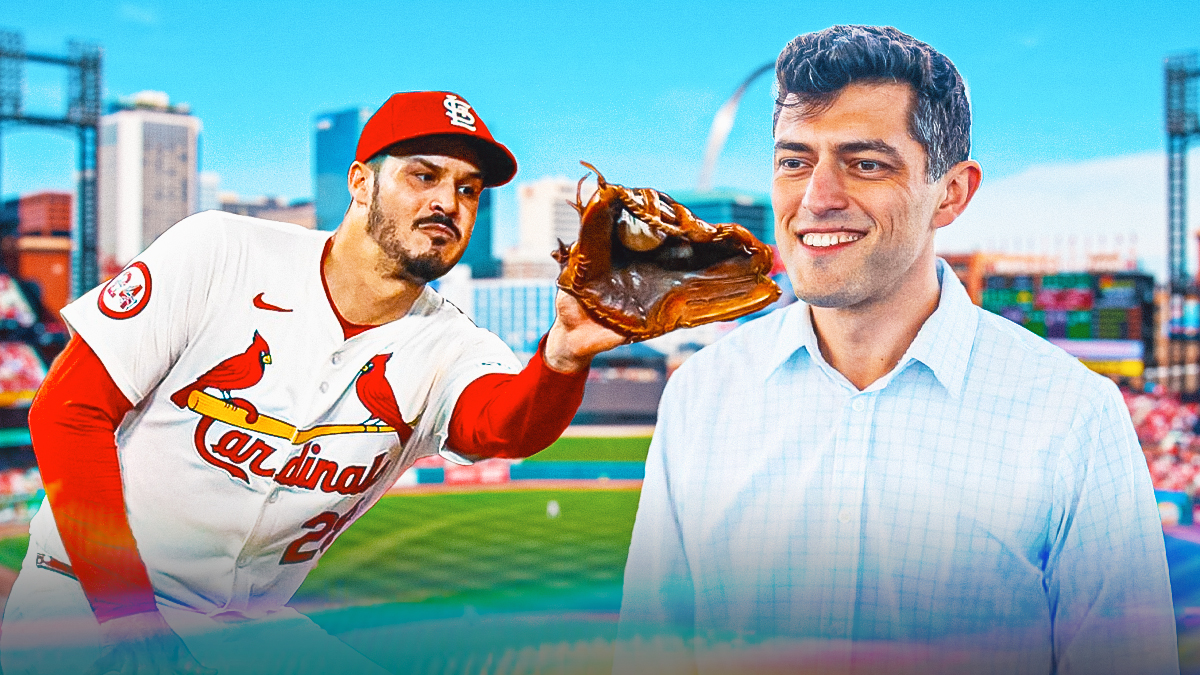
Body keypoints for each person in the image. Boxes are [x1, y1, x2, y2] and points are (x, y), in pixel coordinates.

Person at [615, 25, 1178, 675]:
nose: (818, 199)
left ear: (952, 193)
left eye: (866, 163)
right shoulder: (701, 396)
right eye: (795, 161)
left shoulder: (1073, 415)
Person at [1, 91, 626, 675]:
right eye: (424, 175)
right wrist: (128, 616)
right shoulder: (219, 250)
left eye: (469, 189)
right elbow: (66, 410)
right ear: (360, 182)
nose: (449, 203)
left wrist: (564, 356)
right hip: (86, 593)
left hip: (243, 621)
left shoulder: (456, 345)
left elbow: (501, 425)